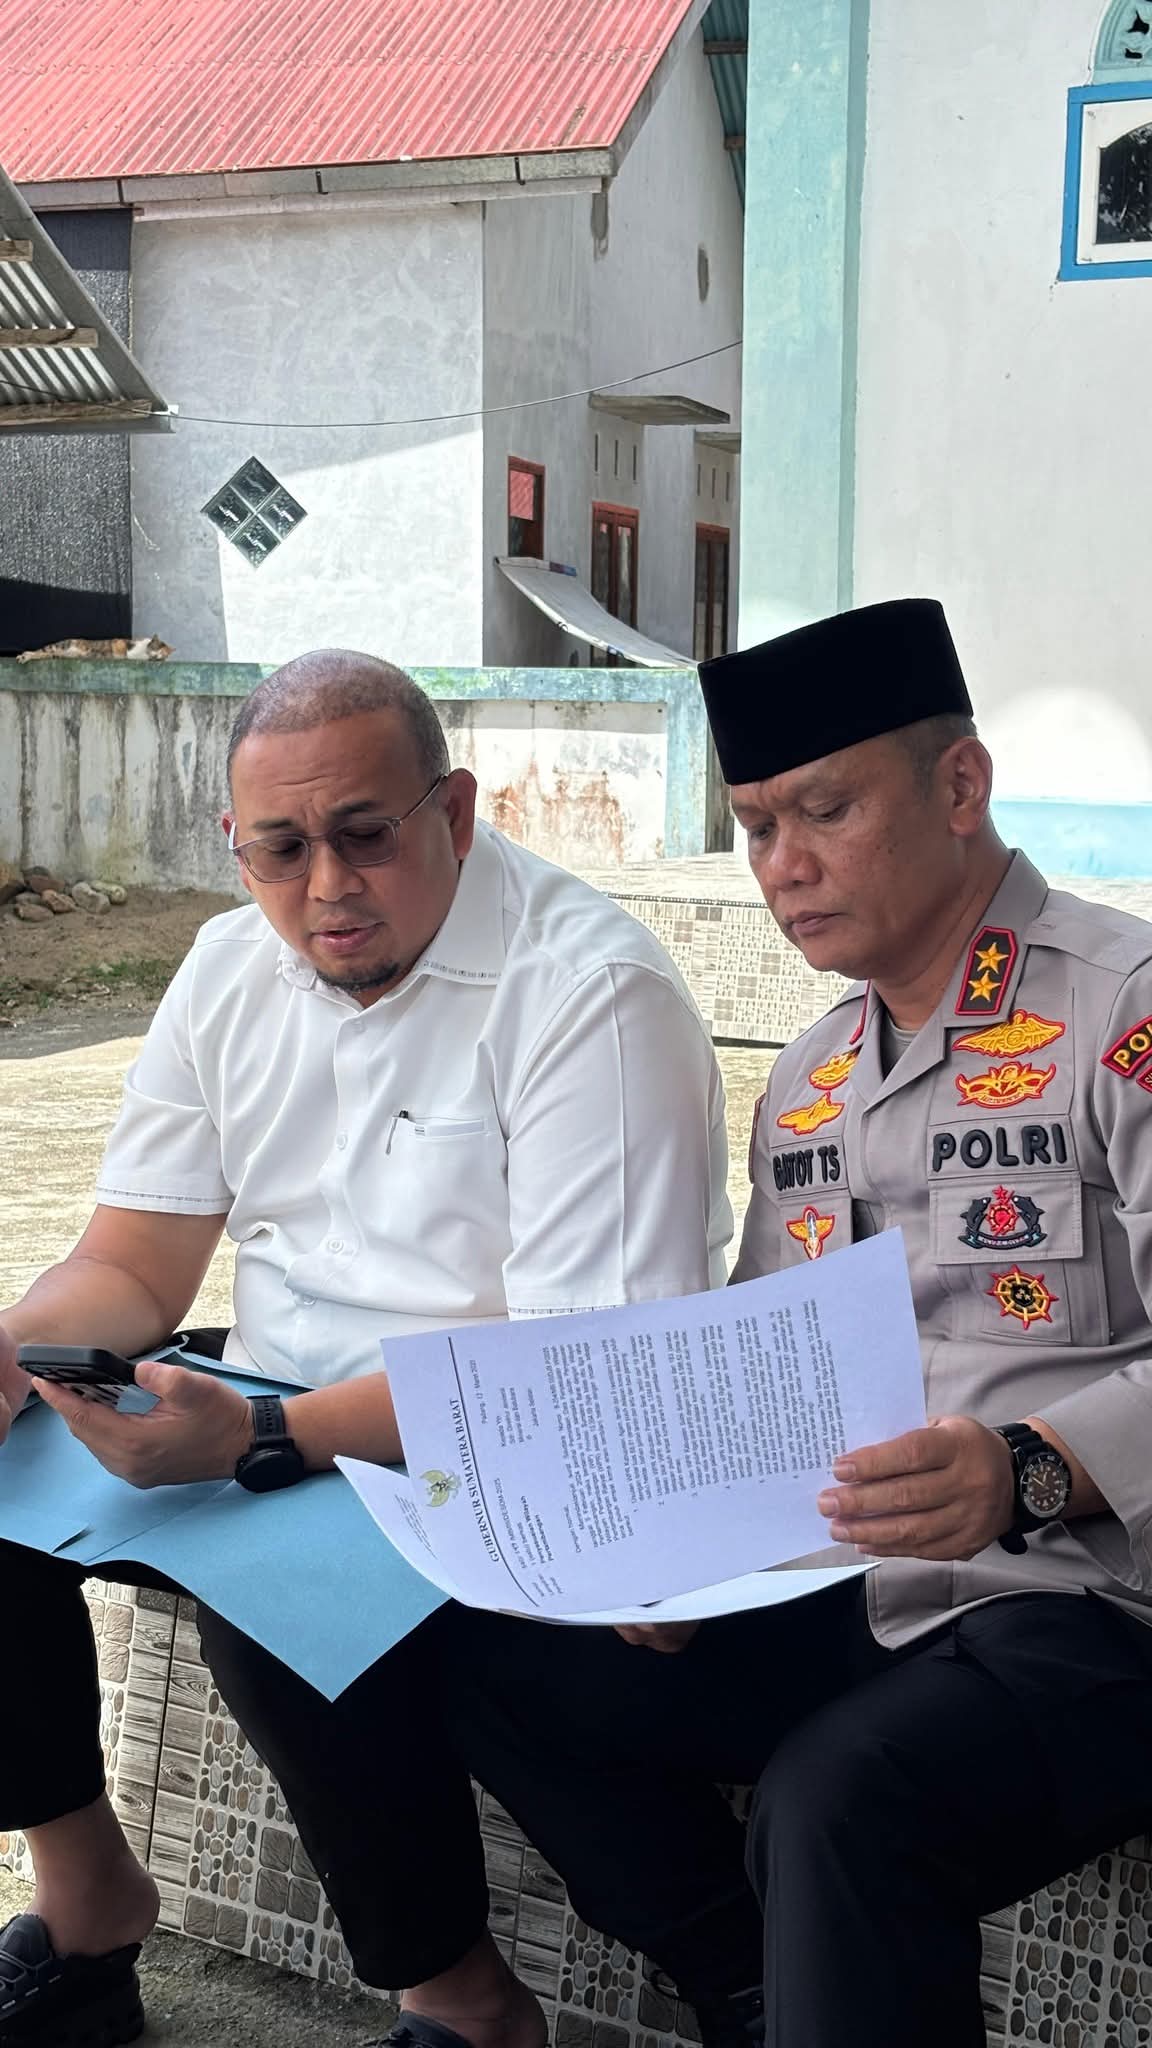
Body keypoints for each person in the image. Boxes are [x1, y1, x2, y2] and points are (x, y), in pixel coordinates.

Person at [0, 650, 732, 2048]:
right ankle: (87, 1906)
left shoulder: (587, 991)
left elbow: (574, 1372)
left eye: (365, 834)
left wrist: (264, 1439)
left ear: (453, 810)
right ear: (236, 845)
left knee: (271, 1565)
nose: (326, 887)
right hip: (264, 1403)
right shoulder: (231, 966)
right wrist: (13, 1346)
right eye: (282, 850)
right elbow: (134, 1265)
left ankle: (463, 2005)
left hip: (491, 1443)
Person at [450, 599, 1152, 2048]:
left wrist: (1028, 1465)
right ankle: (756, 1990)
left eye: (826, 810)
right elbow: (763, 1369)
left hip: (1092, 1601)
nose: (784, 864)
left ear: (961, 787)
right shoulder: (813, 1078)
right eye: (758, 825)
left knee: (842, 1800)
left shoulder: (1119, 1014)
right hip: (864, 1585)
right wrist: (671, 1549)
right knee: (494, 1650)